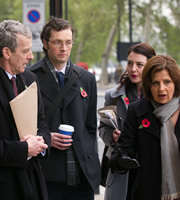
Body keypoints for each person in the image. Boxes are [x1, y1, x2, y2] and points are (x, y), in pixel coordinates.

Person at [30, 17, 101, 200]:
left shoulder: (86, 78)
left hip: (82, 175)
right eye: (58, 42)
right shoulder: (30, 77)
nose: (64, 48)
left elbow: (91, 128)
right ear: (45, 43)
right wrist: (47, 138)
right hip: (47, 175)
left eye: (68, 42)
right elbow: (24, 126)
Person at [110, 55, 180, 200]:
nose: (162, 89)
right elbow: (123, 148)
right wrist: (121, 159)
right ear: (148, 85)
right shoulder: (137, 110)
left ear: (176, 83)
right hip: (148, 192)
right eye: (155, 83)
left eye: (167, 82)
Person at [0, 20, 51, 200]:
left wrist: (41, 143)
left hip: (33, 182)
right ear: (6, 52)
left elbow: (41, 122)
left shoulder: (30, 78)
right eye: (25, 51)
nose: (31, 56)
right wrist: (23, 149)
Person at [98, 43, 156, 200]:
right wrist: (112, 136)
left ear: (150, 65)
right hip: (121, 167)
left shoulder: (158, 96)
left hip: (150, 167)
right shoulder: (113, 95)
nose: (133, 69)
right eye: (130, 63)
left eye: (139, 64)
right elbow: (102, 128)